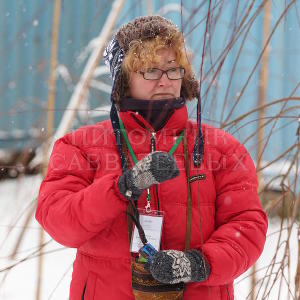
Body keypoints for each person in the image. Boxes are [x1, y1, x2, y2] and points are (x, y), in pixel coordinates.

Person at [36, 15, 268, 300]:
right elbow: (59, 221)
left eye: (173, 69)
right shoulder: (81, 146)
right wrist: (120, 188)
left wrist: (199, 263)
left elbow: (247, 226)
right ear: (123, 79)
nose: (164, 81)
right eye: (150, 70)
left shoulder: (222, 149)